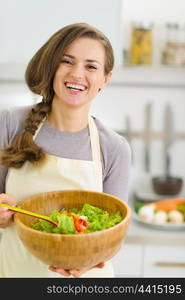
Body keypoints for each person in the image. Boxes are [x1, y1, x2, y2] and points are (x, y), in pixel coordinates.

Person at [0, 23, 131, 278]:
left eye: (91, 66)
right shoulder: (9, 124)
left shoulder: (114, 148)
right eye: (67, 61)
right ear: (51, 66)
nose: (77, 74)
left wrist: (87, 261)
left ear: (105, 78)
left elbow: (115, 234)